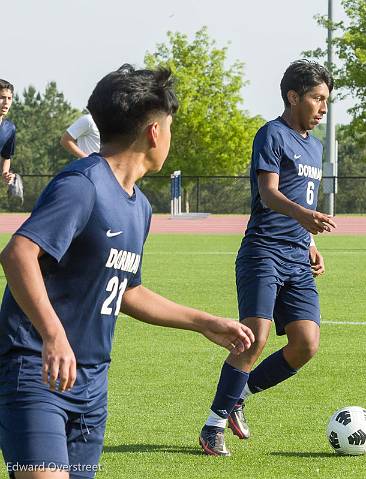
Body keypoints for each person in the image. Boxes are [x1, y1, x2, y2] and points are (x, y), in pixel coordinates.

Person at [0, 64, 255, 478]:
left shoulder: (140, 207)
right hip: (35, 372)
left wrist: (203, 322)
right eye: (169, 126)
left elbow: (128, 290)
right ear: (154, 132)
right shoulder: (82, 184)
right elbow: (18, 253)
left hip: (91, 385)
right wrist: (52, 333)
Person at [198, 60, 336, 456]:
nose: (323, 108)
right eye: (317, 98)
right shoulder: (271, 134)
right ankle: (213, 426)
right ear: (294, 97)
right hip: (263, 252)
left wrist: (309, 241)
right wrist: (304, 218)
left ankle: (239, 395)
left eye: (327, 99)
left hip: (297, 256)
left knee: (306, 344)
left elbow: (301, 199)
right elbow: (269, 193)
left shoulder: (315, 145)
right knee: (253, 338)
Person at [0, 79, 17, 185]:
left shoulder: (10, 128)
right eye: (2, 98)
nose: (6, 102)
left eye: (9, 98)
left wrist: (5, 173)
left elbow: (6, 156)